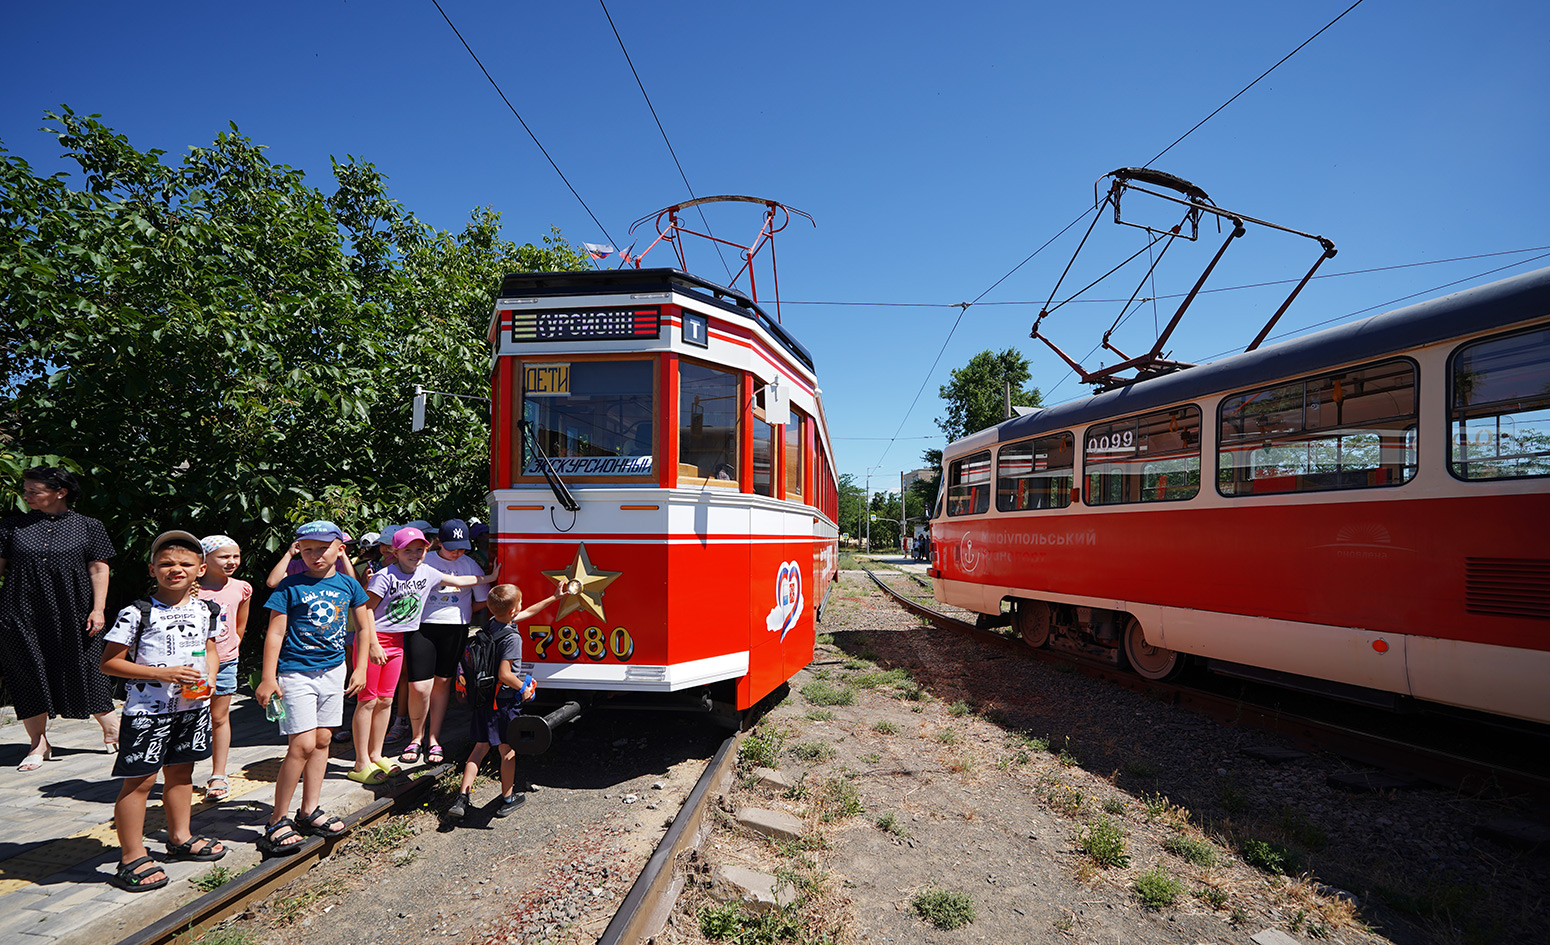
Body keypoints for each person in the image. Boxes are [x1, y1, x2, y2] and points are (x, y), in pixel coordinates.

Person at [100, 530, 226, 891]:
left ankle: (180, 836)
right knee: (139, 782)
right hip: (147, 713)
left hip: (191, 708)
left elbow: (210, 649)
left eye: (185, 564)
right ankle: (132, 855)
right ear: (152, 568)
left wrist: (211, 676)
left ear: (201, 569)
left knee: (182, 774)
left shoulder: (205, 610)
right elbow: (109, 663)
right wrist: (161, 674)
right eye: (166, 563)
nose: (176, 569)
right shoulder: (136, 613)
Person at [254, 521, 379, 856]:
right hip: (296, 673)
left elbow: (364, 629)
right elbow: (275, 634)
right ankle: (277, 819)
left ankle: (309, 810)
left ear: (340, 549)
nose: (314, 555)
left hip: (334, 671)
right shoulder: (289, 586)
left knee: (323, 739)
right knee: (302, 744)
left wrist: (362, 667)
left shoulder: (350, 585)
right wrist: (269, 677)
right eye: (306, 549)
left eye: (322, 548)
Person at [0, 466, 119, 769]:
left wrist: (98, 608)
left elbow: (99, 568)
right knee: (27, 671)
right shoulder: (11, 526)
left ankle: (111, 729)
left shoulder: (88, 526)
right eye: (26, 490)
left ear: (60, 493)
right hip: (21, 612)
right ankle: (38, 743)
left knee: (89, 666)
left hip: (75, 610)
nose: (26, 496)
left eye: (33, 491)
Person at [446, 582, 562, 820]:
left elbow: (526, 612)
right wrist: (524, 688)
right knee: (507, 751)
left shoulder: (491, 624)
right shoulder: (511, 638)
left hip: (482, 698)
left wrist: (553, 597)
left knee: (479, 749)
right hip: (503, 702)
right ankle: (508, 798)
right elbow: (505, 674)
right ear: (512, 611)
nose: (522, 607)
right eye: (519, 603)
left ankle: (462, 798)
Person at [397, 523, 497, 766]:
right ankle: (416, 737)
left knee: (443, 683)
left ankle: (433, 738)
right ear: (438, 542)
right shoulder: (425, 560)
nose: (456, 553)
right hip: (422, 626)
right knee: (419, 686)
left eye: (461, 549)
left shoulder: (470, 564)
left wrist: (459, 610)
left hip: (455, 627)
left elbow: (481, 599)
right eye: (452, 548)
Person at [197, 535, 251, 801]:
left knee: (219, 717)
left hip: (227, 660)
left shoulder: (242, 587)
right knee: (193, 718)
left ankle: (218, 774)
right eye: (224, 556)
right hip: (194, 665)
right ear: (205, 558)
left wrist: (235, 643)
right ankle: (179, 772)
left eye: (236, 556)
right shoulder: (189, 588)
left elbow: (241, 621)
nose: (232, 562)